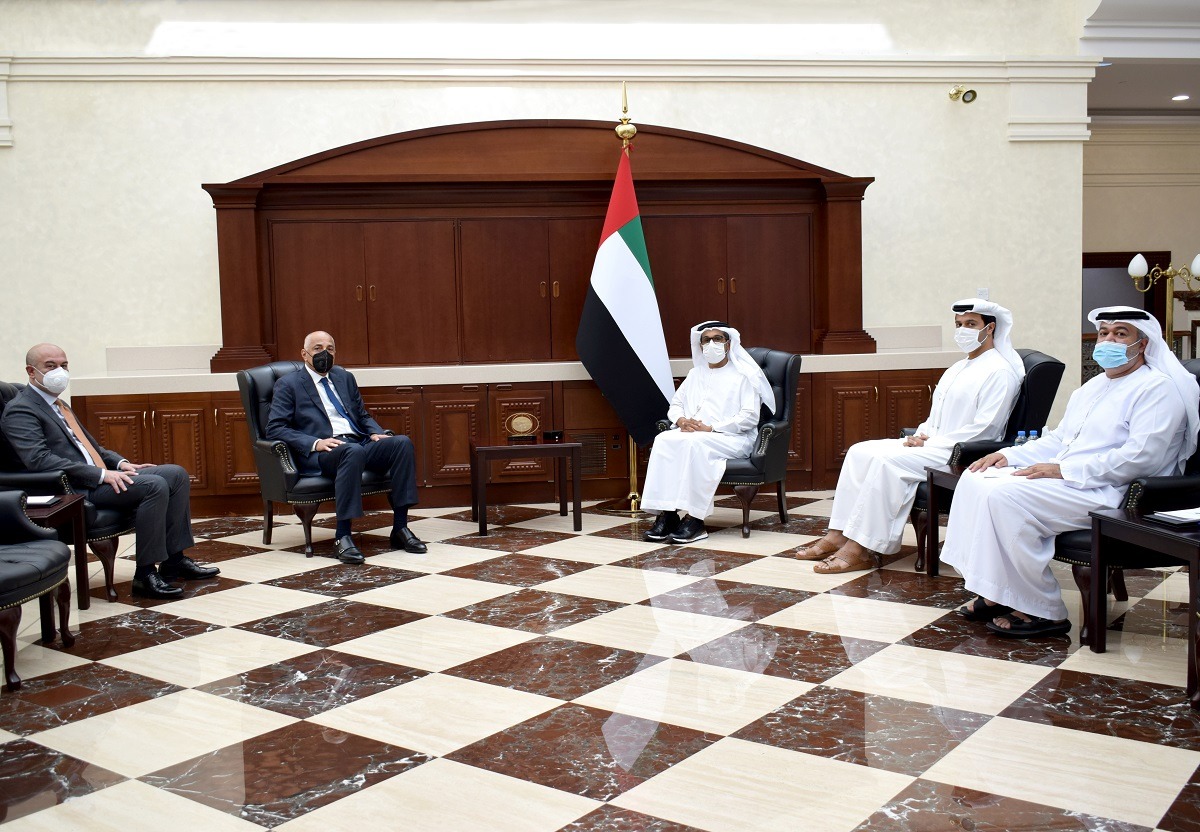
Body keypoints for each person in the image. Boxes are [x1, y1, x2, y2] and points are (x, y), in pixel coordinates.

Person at [941, 306, 1198, 638]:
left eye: (1120, 334)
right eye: (1104, 333)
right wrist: (1006, 455)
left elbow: (1141, 458)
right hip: (1073, 481)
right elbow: (1059, 440)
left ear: (1143, 344)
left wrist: (1063, 470)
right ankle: (996, 592)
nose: (1108, 340)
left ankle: (1042, 609)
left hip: (1114, 489)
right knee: (976, 479)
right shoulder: (1092, 387)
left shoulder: (1157, 389)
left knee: (1006, 498)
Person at [797, 299, 1024, 574]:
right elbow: (936, 416)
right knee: (858, 451)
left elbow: (986, 429)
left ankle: (861, 548)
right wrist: (922, 434)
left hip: (961, 452)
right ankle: (837, 535)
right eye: (959, 325)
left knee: (886, 463)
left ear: (990, 328)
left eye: (970, 324)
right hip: (934, 444)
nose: (962, 330)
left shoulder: (1000, 372)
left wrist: (931, 442)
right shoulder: (959, 367)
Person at [3, 344, 220, 600]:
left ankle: (174, 561)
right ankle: (145, 575)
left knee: (176, 474)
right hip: (72, 489)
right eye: (50, 366)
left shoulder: (59, 405)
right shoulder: (21, 409)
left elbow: (93, 448)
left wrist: (121, 464)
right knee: (154, 486)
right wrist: (101, 475)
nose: (59, 371)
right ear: (31, 371)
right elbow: (39, 460)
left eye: (64, 365)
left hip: (96, 478)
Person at [266, 331, 425, 564]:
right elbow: (275, 428)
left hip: (357, 442)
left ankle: (400, 528)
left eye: (330, 349)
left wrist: (375, 432)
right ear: (304, 354)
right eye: (318, 348)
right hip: (325, 451)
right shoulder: (288, 384)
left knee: (401, 443)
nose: (325, 353)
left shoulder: (344, 377)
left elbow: (361, 414)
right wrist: (315, 443)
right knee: (352, 451)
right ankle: (343, 536)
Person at [641, 321, 775, 544]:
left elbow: (749, 417)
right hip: (696, 434)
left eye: (717, 339)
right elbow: (676, 405)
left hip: (733, 438)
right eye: (706, 340)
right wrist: (682, 420)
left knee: (696, 444)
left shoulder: (744, 375)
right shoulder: (695, 374)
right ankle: (668, 515)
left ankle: (695, 520)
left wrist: (712, 427)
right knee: (663, 439)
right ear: (700, 345)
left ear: (728, 344)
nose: (712, 344)